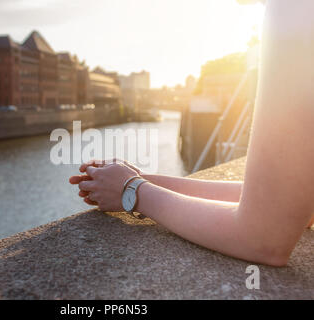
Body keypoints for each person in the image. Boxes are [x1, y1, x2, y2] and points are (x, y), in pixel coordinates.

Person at [69, 0, 314, 267]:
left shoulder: (295, 9)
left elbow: (263, 237)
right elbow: (286, 202)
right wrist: (139, 180)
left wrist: (134, 192)